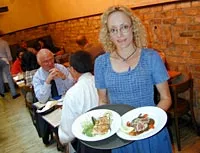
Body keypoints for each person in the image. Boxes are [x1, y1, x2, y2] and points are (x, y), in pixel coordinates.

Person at [94, 5, 172, 153]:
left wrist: (147, 122)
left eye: (124, 27)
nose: (119, 34)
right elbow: (103, 101)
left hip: (151, 131)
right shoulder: (101, 63)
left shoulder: (151, 57)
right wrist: (104, 124)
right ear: (108, 34)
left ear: (133, 28)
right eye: (113, 29)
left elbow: (166, 98)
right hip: (121, 136)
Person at [59, 50, 110, 153]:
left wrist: (62, 139)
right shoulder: (103, 81)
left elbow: (67, 134)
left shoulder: (72, 94)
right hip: (110, 134)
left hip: (89, 144)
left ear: (72, 69)